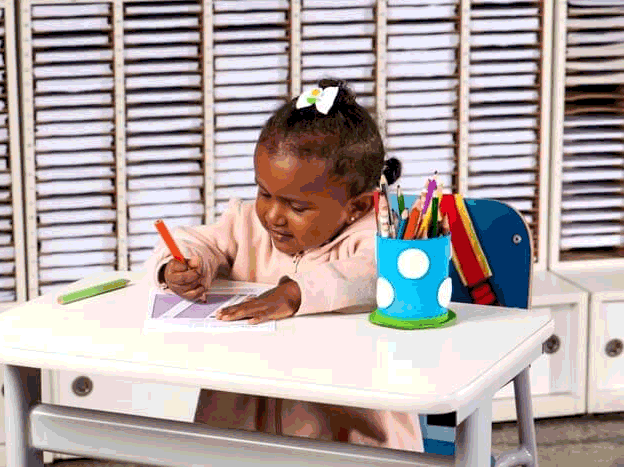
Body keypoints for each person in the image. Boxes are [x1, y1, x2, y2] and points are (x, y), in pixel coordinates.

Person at [144, 78, 423, 452]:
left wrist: (295, 293)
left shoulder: (379, 237)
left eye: (297, 206)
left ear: (356, 206)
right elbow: (197, 240)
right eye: (264, 193)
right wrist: (180, 266)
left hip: (352, 443)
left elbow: (376, 275)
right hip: (240, 437)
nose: (273, 215)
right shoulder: (244, 225)